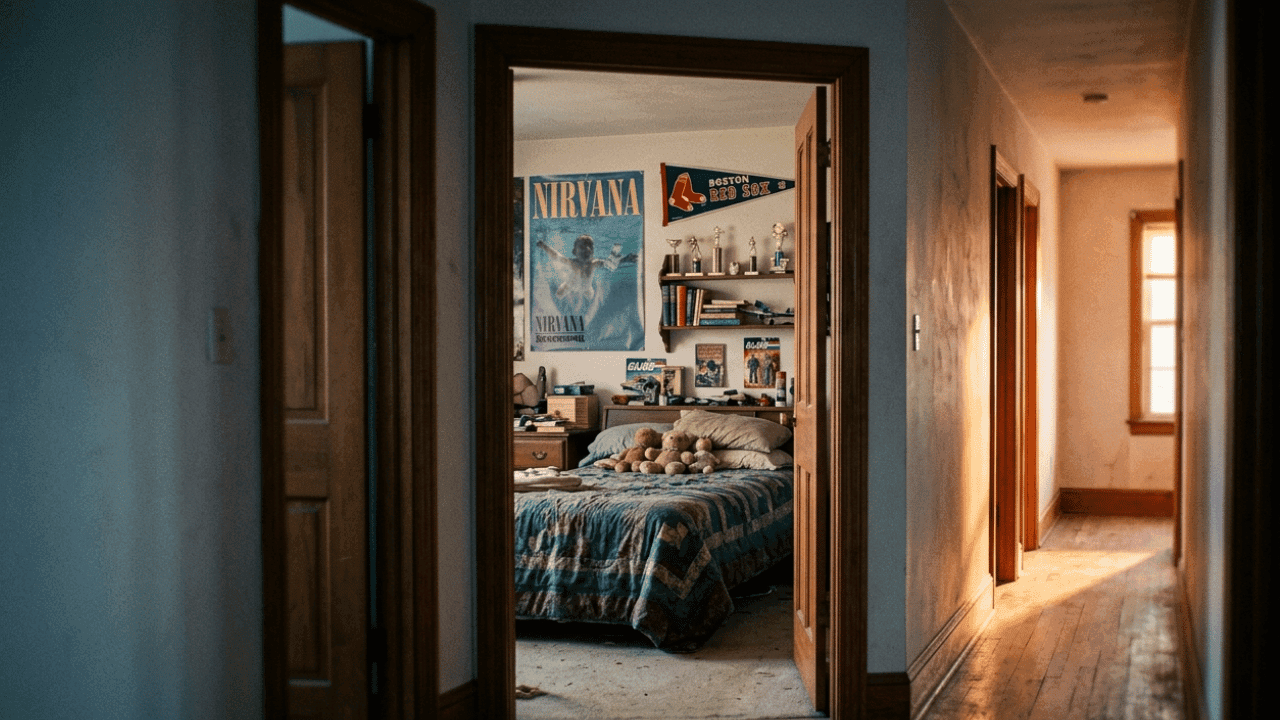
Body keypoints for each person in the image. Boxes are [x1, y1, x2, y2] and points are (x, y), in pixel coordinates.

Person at [536, 234, 637, 305]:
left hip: (586, 288)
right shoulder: (573, 263)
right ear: (574, 252)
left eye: (589, 248)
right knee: (558, 295)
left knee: (590, 298)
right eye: (583, 248)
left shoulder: (594, 263)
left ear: (592, 252)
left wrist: (626, 259)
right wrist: (544, 247)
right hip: (569, 285)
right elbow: (556, 256)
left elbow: (610, 264)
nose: (587, 250)